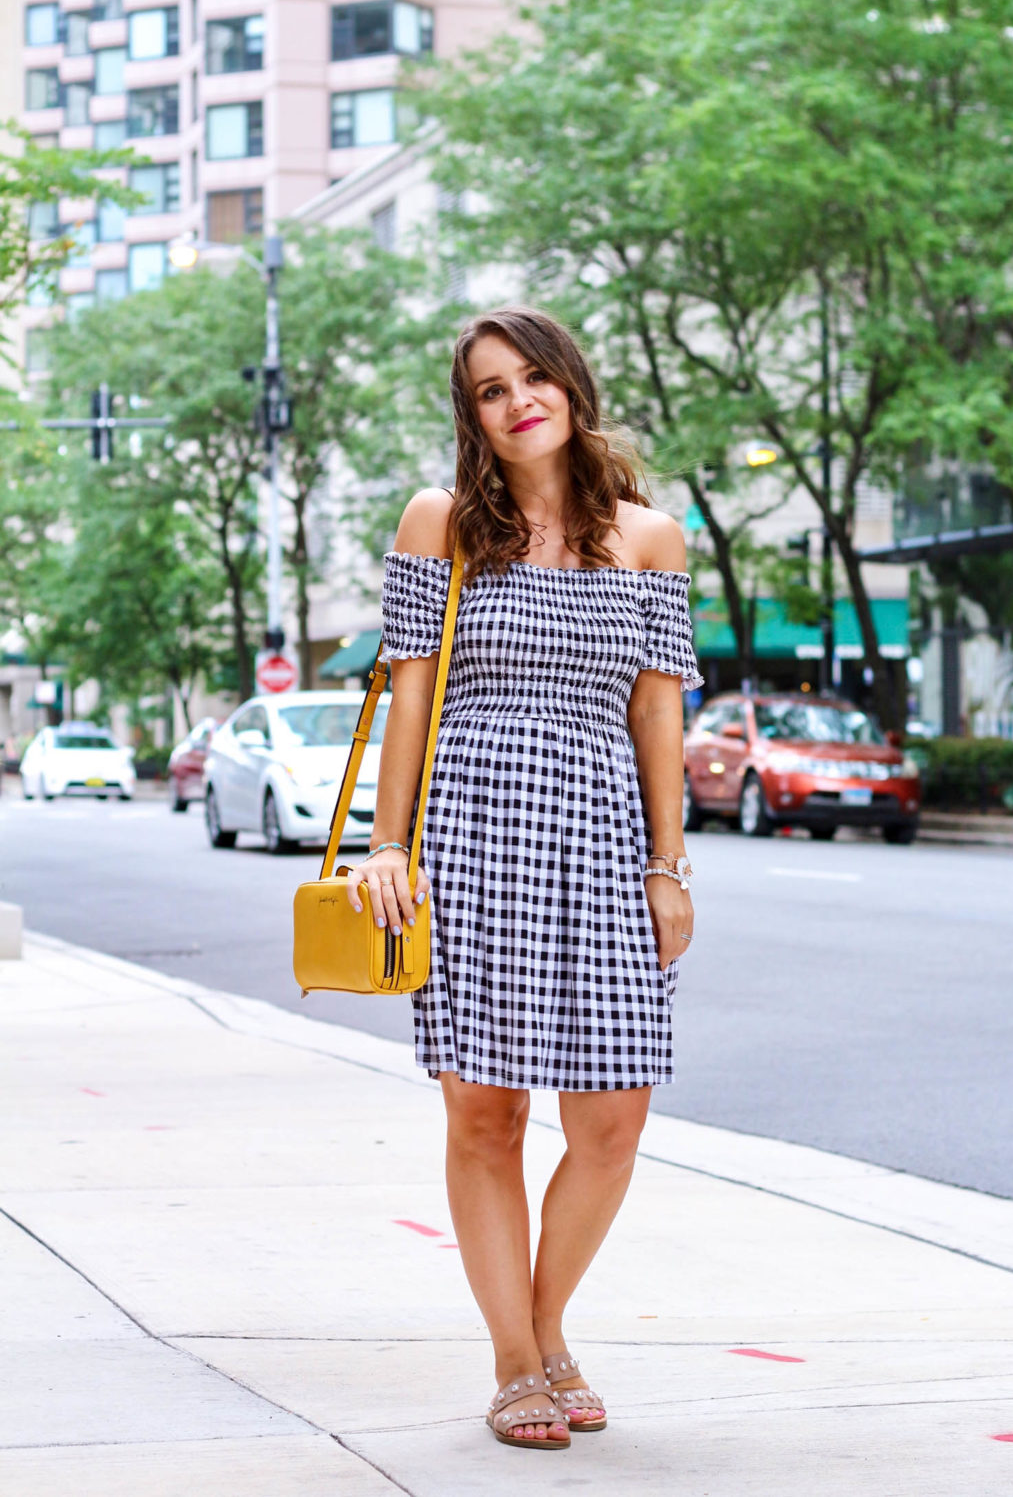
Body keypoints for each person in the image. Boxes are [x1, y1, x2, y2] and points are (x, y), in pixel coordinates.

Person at [344, 306, 702, 1452]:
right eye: (490, 390)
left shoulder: (649, 539)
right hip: (474, 826)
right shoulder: (439, 523)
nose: (516, 401)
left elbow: (656, 713)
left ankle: (546, 1330)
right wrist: (386, 844)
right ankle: (516, 1363)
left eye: (531, 376)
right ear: (474, 416)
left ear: (570, 385)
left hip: (602, 838)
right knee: (485, 1113)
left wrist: (667, 864)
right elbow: (409, 694)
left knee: (612, 1117)